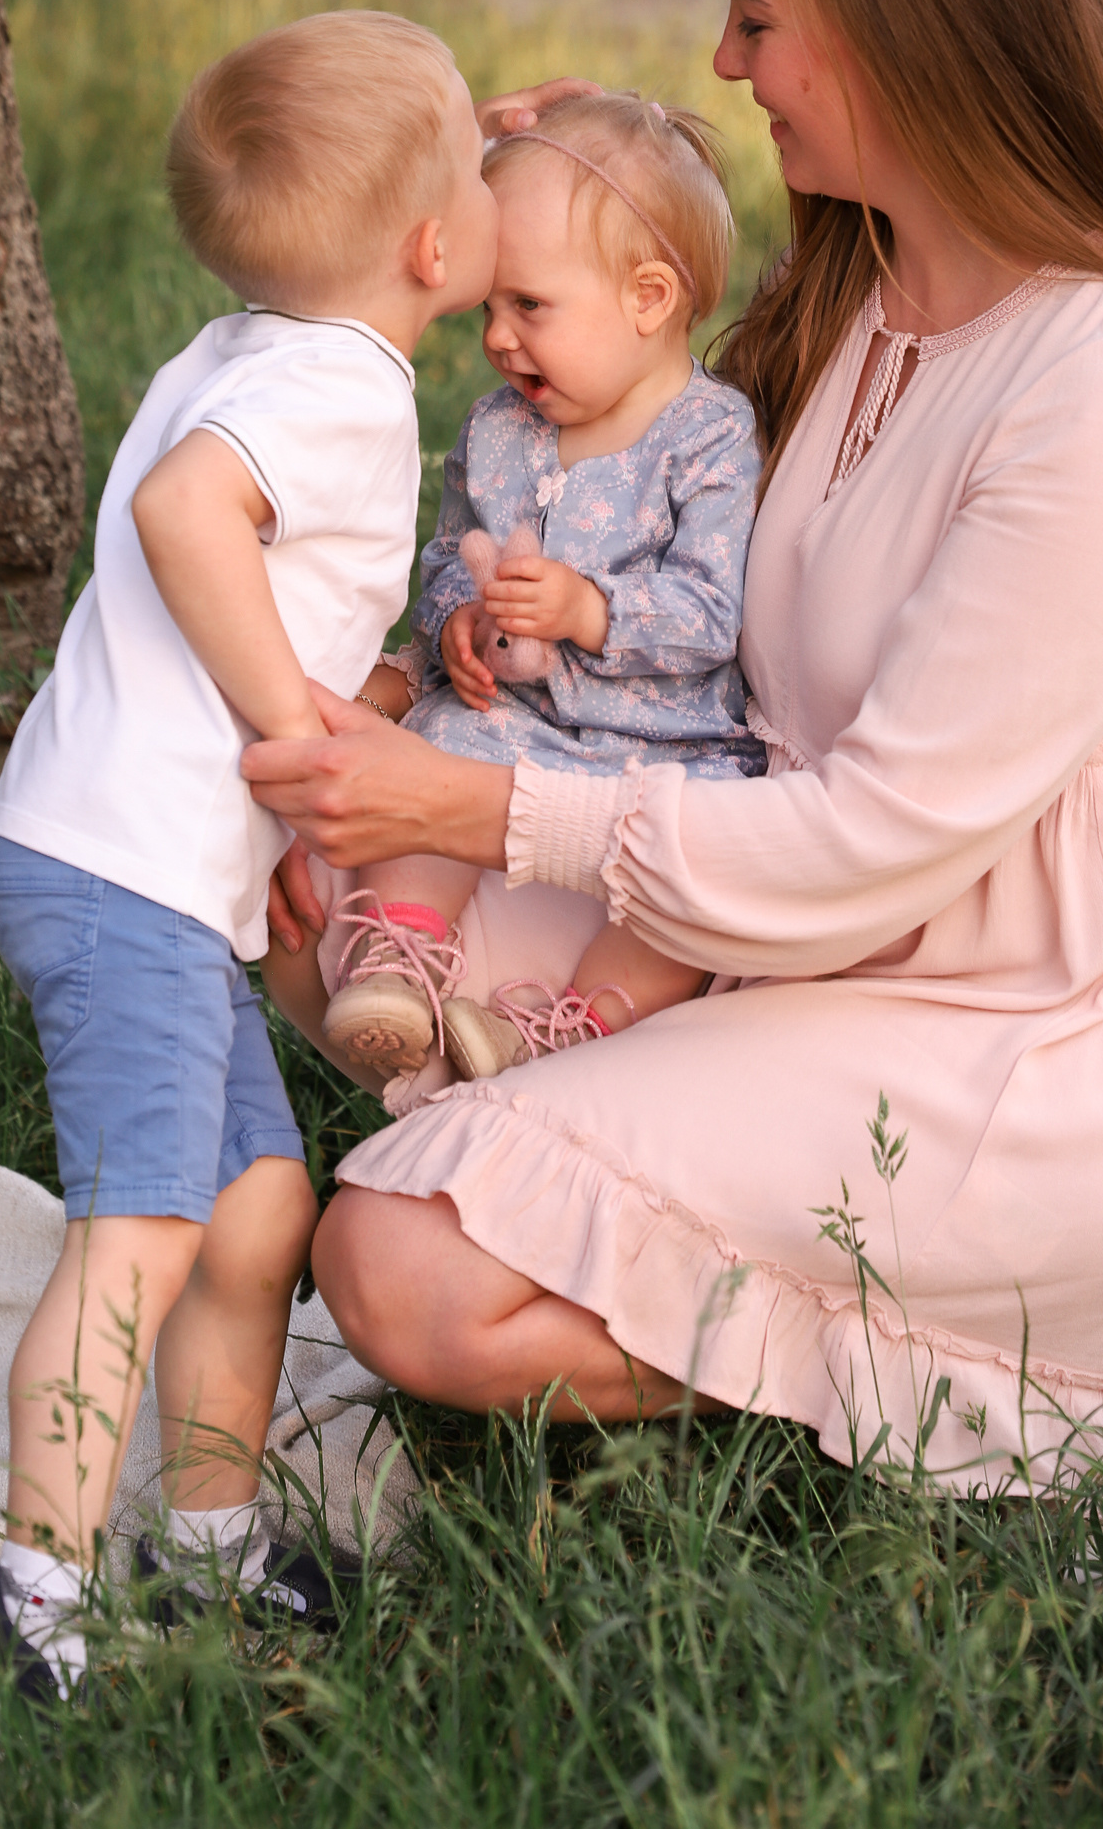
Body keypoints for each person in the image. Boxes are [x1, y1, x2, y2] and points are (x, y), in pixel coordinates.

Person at [247, 0, 1103, 1492]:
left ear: (903, 38)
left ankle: (1040, 1388)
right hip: (778, 935)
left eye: (754, 22)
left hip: (1032, 1033)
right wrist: (586, 190)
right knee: (300, 900)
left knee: (399, 1267)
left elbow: (875, 836)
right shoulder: (863, 290)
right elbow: (616, 415)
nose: (722, 66)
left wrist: (464, 807)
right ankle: (624, 1196)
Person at [0, 9, 500, 1718]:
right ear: (428, 245)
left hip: (137, 866)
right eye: (476, 160)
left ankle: (214, 1536)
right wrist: (298, 747)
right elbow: (186, 518)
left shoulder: (263, 337)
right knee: (148, 1231)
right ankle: (29, 1590)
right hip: (127, 877)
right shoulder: (330, 384)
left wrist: (321, 748)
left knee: (260, 1215)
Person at [303, 91, 764, 1099]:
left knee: (690, 876)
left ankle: (568, 1029)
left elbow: (713, 611)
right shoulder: (498, 427)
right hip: (514, 723)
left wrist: (588, 611)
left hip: (663, 745)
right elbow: (441, 559)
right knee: (434, 747)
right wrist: (456, 622)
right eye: (487, 310)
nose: (499, 340)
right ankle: (401, 959)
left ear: (647, 299)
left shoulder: (711, 437)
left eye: (530, 307)